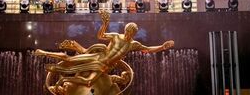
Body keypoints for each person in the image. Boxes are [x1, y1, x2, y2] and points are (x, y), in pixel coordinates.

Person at [35, 10, 173, 91]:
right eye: (127, 31)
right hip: (99, 57)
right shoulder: (116, 36)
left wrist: (162, 47)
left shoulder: (133, 44)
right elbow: (100, 36)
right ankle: (44, 53)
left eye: (131, 33)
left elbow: (147, 49)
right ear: (125, 30)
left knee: (88, 82)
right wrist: (105, 24)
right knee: (70, 60)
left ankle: (64, 79)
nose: (128, 34)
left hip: (104, 67)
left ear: (134, 34)